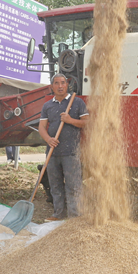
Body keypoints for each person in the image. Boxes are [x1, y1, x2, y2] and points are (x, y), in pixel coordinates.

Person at [38, 73, 88, 221]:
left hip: (71, 152)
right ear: (52, 86)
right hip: (52, 152)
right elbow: (41, 127)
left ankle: (74, 216)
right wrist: (48, 139)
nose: (60, 86)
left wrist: (70, 120)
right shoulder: (48, 105)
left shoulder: (77, 102)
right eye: (57, 83)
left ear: (67, 85)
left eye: (63, 83)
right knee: (55, 184)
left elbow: (87, 122)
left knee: (73, 185)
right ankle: (58, 214)